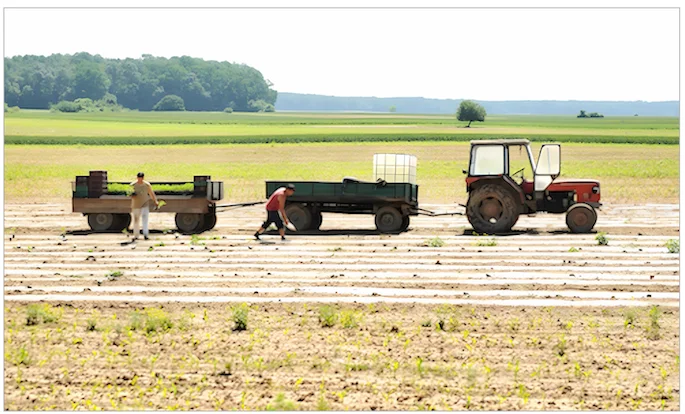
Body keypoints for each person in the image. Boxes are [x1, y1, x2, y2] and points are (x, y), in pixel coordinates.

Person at [130, 172, 159, 240]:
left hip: (144, 204)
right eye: (139, 178)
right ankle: (136, 235)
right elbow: (129, 193)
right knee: (136, 220)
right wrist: (132, 195)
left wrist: (155, 201)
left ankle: (145, 234)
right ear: (137, 178)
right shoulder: (133, 185)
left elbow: (151, 193)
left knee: (145, 220)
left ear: (143, 178)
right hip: (136, 205)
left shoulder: (147, 185)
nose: (140, 179)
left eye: (141, 178)